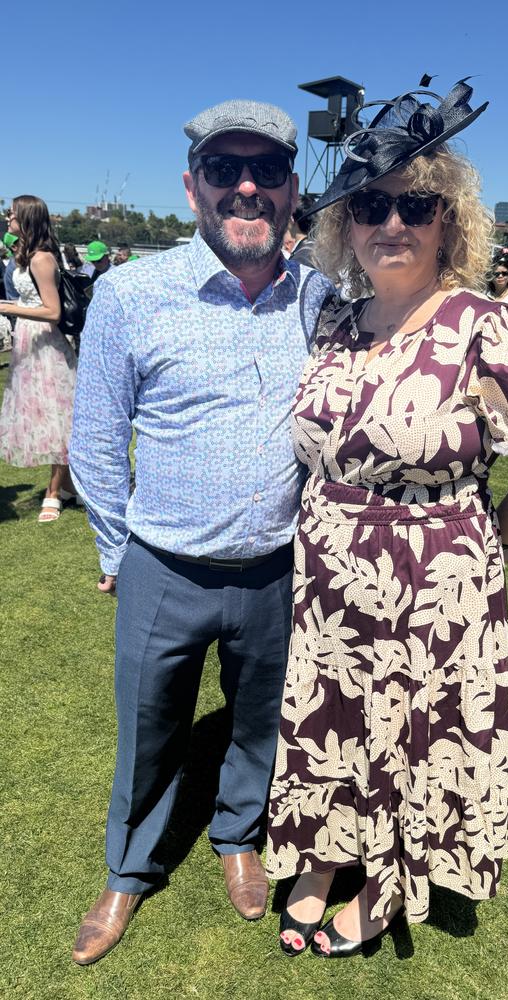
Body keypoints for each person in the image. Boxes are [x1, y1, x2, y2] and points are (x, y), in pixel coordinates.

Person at [265, 78, 508, 959]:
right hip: (329, 576)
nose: (391, 224)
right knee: (330, 716)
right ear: (345, 223)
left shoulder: (493, 332)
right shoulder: (335, 322)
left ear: (450, 222)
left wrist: (492, 542)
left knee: (409, 729)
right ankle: (322, 861)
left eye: (416, 205)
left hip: (435, 583)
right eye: (370, 205)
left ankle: (386, 880)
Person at [69, 98, 332, 966]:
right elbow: (97, 441)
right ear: (193, 188)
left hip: (277, 568)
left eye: (267, 171)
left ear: (294, 190)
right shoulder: (130, 293)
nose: (247, 187)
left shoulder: (324, 301)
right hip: (164, 566)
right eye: (226, 170)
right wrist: (117, 550)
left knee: (262, 723)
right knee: (149, 729)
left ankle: (238, 837)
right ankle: (128, 869)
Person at [0, 196, 78, 521]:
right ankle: (69, 485)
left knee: (58, 419)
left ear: (27, 219)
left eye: (13, 215)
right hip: (29, 343)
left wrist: (7, 307)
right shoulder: (26, 254)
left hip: (46, 344)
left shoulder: (42, 258)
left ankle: (53, 492)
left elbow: (53, 311)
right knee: (43, 417)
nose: (8, 219)